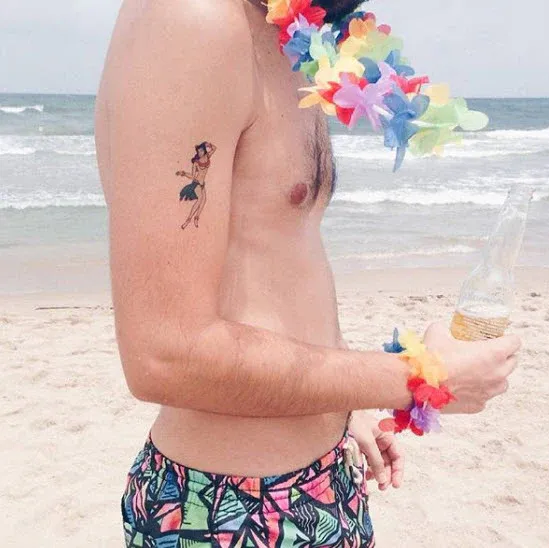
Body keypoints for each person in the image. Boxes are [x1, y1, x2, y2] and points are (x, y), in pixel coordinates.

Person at [94, 0, 521, 546]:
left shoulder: (285, 31)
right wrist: (421, 379)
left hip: (326, 481)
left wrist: (340, 410)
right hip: (226, 509)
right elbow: (164, 353)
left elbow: (278, 260)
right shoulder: (192, 18)